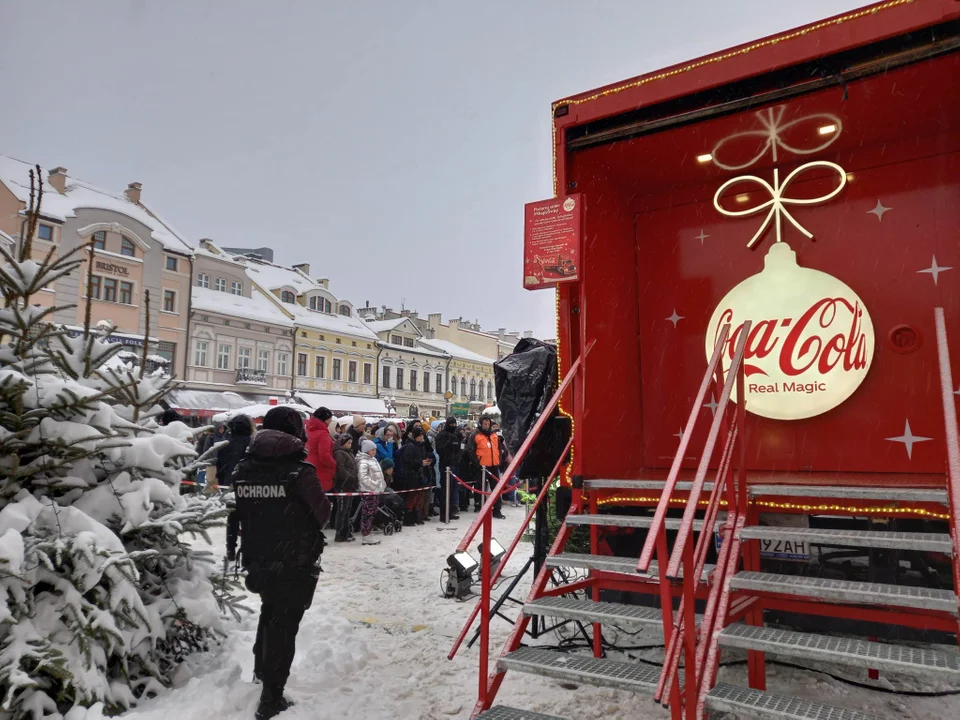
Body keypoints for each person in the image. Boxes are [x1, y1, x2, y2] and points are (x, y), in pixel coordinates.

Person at [232, 406, 331, 720]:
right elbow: (323, 513)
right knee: (284, 625)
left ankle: (262, 674)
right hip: (293, 558)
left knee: (269, 612)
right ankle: (271, 698)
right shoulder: (299, 472)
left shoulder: (244, 468)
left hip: (257, 555)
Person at [216, 414, 255, 562]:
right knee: (247, 520)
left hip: (229, 485)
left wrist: (223, 483)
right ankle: (246, 552)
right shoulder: (252, 444)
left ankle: (230, 550)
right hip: (248, 486)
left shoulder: (225, 444)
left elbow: (220, 466)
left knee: (232, 519)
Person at [466, 416, 510, 519]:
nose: (487, 426)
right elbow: (470, 450)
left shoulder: (494, 434)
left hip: (494, 466)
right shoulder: (475, 435)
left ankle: (497, 510)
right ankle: (481, 508)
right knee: (480, 488)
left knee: (496, 489)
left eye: (488, 424)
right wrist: (477, 463)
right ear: (481, 424)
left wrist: (499, 459)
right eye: (485, 424)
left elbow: (499, 448)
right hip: (482, 466)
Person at [395, 425, 429, 525]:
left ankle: (416, 516)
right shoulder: (410, 446)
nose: (422, 438)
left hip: (419, 474)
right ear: (416, 436)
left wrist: (425, 462)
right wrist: (420, 462)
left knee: (418, 497)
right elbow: (407, 460)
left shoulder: (420, 446)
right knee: (411, 497)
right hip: (411, 475)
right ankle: (408, 518)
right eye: (421, 436)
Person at [357, 439, 386, 545]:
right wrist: (373, 485)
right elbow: (363, 477)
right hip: (368, 491)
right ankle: (365, 534)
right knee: (367, 513)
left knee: (372, 512)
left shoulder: (373, 460)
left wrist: (381, 485)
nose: (374, 451)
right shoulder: (363, 462)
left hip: (375, 491)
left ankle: (368, 533)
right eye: (372, 449)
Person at [435, 417, 463, 522]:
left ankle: (450, 512)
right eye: (451, 424)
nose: (453, 426)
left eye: (455, 424)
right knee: (445, 491)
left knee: (452, 490)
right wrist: (448, 442)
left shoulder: (455, 435)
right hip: (445, 466)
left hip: (454, 465)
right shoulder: (442, 435)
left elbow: (460, 449)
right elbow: (440, 449)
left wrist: (457, 459)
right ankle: (444, 515)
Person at [332, 434, 359, 542]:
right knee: (342, 510)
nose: (350, 445)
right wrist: (350, 477)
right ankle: (339, 533)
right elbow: (340, 469)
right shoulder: (339, 453)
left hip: (350, 486)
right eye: (348, 443)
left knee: (347, 510)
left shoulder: (349, 452)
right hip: (343, 485)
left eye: (351, 443)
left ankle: (346, 532)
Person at [305, 407, 336, 492]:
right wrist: (334, 464)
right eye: (330, 418)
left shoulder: (308, 430)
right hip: (322, 473)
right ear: (325, 419)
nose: (331, 421)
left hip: (309, 469)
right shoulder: (323, 434)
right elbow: (324, 456)